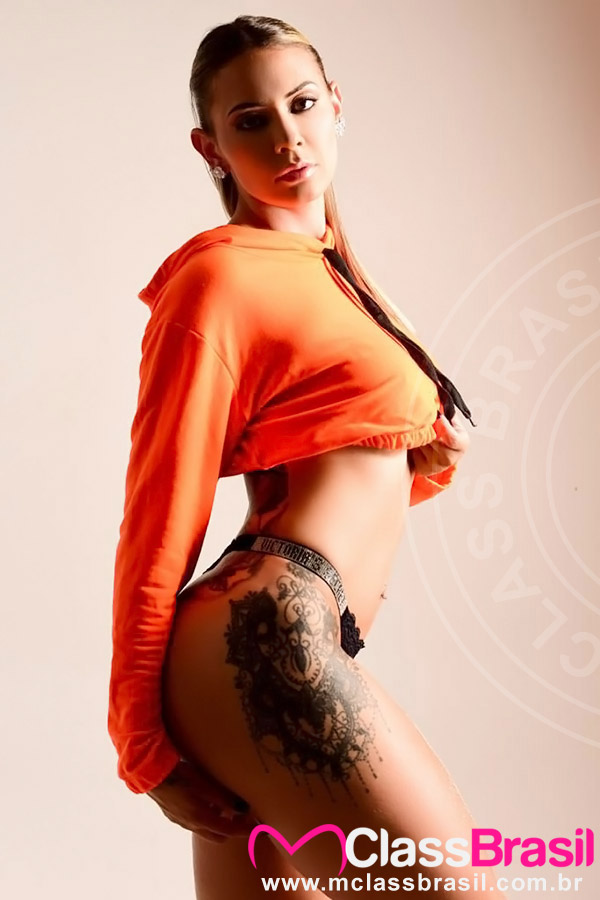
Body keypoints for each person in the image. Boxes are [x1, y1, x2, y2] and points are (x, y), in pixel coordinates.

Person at [107, 15, 508, 900]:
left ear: (336, 106)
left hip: (291, 637)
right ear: (210, 148)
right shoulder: (217, 279)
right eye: (251, 120)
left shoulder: (337, 272)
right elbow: (160, 512)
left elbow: (338, 461)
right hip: (265, 642)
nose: (287, 137)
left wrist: (431, 453)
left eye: (301, 105)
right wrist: (140, 743)